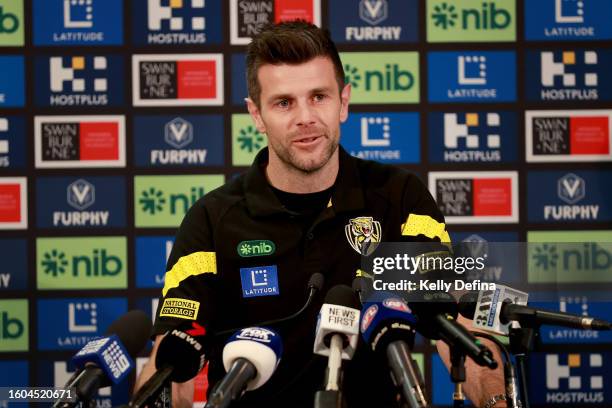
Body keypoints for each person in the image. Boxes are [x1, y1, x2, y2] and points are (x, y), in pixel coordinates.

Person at [135, 21, 507, 407]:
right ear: (256, 115)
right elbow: (172, 358)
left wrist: (497, 402)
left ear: (343, 101)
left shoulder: (397, 197)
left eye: (319, 97)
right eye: (284, 103)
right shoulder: (213, 219)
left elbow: (459, 325)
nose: (305, 117)